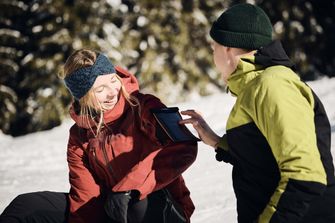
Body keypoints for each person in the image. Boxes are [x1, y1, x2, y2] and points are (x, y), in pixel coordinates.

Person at [0, 49, 198, 223]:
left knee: (134, 204)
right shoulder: (79, 135)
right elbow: (86, 195)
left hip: (161, 208)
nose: (112, 92)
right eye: (100, 89)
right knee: (26, 207)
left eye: (113, 80)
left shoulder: (146, 106)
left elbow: (184, 145)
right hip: (112, 209)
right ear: (83, 96)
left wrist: (130, 188)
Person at [180, 3, 335, 223]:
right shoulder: (254, 87)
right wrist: (216, 141)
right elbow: (264, 158)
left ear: (227, 48)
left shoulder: (273, 85)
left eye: (213, 46)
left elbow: (304, 176)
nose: (212, 54)